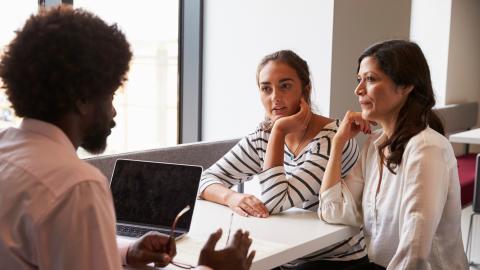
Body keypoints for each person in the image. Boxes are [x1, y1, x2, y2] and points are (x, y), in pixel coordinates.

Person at [0, 6, 254, 270]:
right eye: (109, 96)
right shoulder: (75, 186)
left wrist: (126, 252)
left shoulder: (5, 149)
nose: (113, 112)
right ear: (83, 99)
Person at [199, 50, 368, 269]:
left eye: (285, 86)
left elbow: (276, 202)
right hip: (285, 256)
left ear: (305, 89)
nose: (275, 97)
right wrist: (232, 197)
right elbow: (204, 180)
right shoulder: (262, 137)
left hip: (336, 260)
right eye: (266, 88)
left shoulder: (334, 137)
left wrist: (279, 131)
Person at [319, 40, 469, 269]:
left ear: (406, 85)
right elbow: (333, 211)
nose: (358, 90)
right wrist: (338, 142)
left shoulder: (427, 148)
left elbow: (415, 253)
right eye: (359, 80)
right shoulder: (374, 145)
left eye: (370, 79)